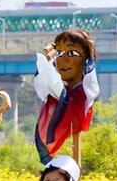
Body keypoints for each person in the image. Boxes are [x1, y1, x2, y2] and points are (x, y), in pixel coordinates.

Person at [33, 28, 99, 164]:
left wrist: (44, 61)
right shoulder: (57, 94)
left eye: (72, 53)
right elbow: (45, 82)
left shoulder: (80, 95)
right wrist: (46, 60)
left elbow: (52, 81)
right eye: (59, 53)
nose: (63, 59)